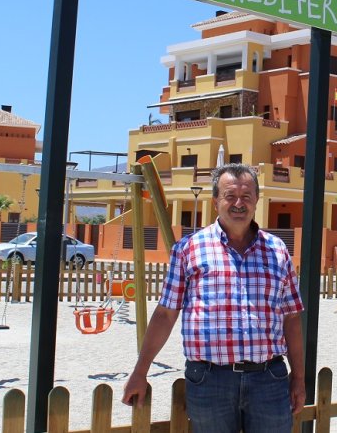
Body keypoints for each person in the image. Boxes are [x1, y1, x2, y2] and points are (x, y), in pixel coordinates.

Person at [123, 163, 305, 432]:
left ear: (257, 199)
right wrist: (141, 370)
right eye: (230, 196)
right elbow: (165, 314)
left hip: (269, 379)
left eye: (246, 196)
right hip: (209, 381)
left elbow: (291, 318)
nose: (238, 204)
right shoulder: (188, 250)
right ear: (215, 201)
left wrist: (298, 377)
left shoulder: (277, 250)